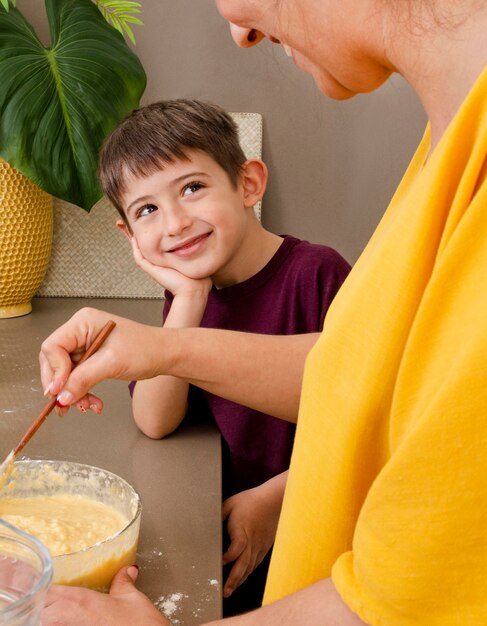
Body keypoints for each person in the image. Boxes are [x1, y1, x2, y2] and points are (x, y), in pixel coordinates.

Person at [40, 0, 487, 624]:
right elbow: (376, 381)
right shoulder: (482, 117)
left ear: (249, 183)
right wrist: (161, 345)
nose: (239, 30)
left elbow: (425, 596)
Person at [93, 98, 350, 616]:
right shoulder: (189, 292)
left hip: (316, 527)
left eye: (192, 188)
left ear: (248, 183)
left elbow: (371, 415)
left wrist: (276, 498)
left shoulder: (319, 275)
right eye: (148, 210)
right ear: (131, 236)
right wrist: (188, 300)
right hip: (228, 532)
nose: (176, 222)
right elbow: (155, 420)